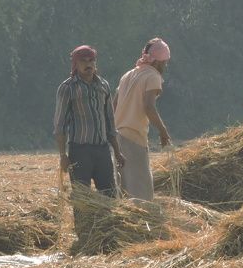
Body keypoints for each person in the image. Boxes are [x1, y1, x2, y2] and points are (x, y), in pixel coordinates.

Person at [53, 45, 124, 196]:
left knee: (110, 196)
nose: (88, 64)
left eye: (91, 60)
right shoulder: (68, 88)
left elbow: (110, 121)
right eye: (83, 61)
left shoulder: (103, 85)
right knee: (82, 199)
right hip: (79, 151)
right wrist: (63, 155)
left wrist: (117, 152)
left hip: (102, 150)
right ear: (75, 64)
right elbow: (60, 125)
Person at [113, 38, 172, 201]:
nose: (165, 66)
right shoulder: (153, 76)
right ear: (159, 62)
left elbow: (114, 105)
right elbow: (148, 107)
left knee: (124, 187)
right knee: (141, 190)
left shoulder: (128, 75)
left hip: (117, 135)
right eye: (165, 62)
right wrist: (163, 131)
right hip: (134, 137)